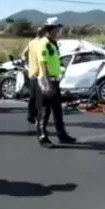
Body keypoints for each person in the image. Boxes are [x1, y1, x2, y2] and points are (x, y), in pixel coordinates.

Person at [34, 17, 77, 148]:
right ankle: (42, 137)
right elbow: (43, 64)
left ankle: (62, 135)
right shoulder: (44, 44)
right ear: (50, 29)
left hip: (55, 79)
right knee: (44, 111)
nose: (59, 30)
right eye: (57, 27)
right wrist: (48, 84)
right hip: (47, 80)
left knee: (57, 110)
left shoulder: (53, 43)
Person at [21, 27, 44, 124]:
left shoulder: (31, 43)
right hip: (40, 72)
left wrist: (27, 64)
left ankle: (30, 115)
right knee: (39, 97)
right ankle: (38, 117)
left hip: (32, 72)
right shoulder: (42, 43)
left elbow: (23, 54)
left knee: (32, 96)